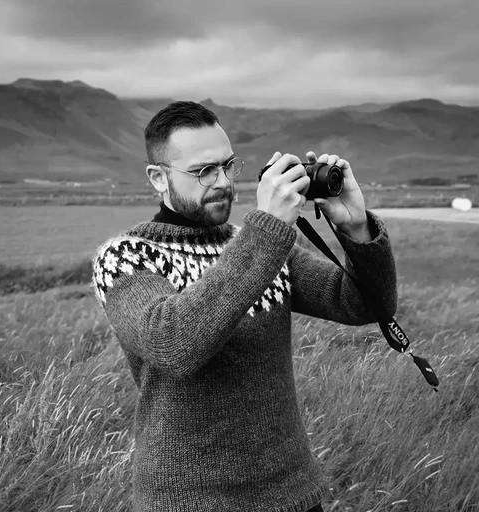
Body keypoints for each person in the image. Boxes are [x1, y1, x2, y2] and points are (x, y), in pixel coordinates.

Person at [92, 101, 397, 512]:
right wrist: (266, 230)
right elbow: (174, 344)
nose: (221, 182)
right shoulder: (126, 258)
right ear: (158, 179)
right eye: (203, 171)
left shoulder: (257, 243)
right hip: (188, 502)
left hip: (293, 494)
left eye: (228, 165)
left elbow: (363, 303)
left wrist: (356, 228)